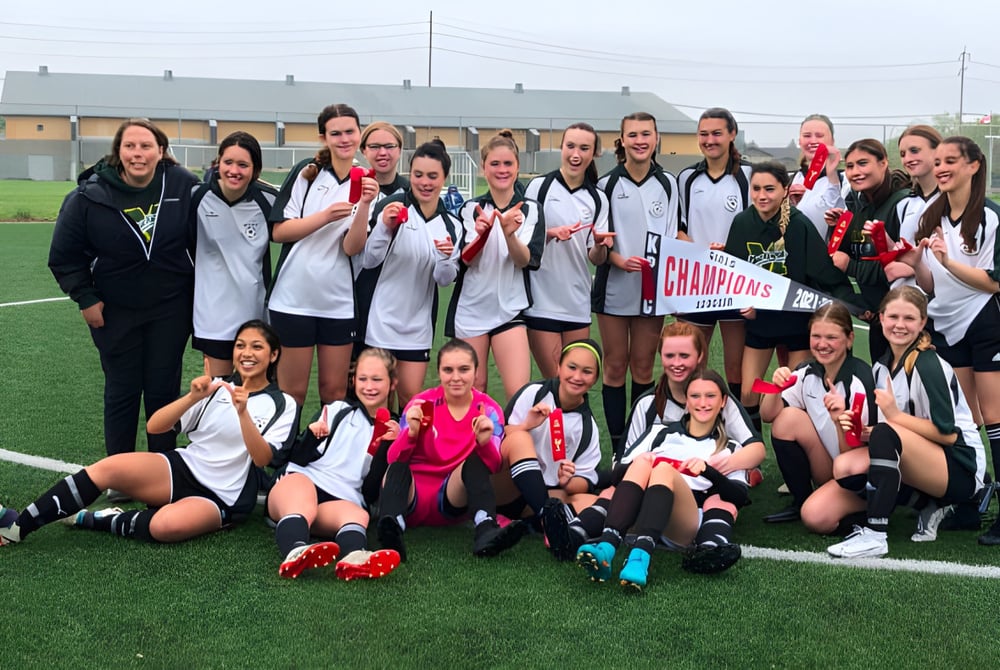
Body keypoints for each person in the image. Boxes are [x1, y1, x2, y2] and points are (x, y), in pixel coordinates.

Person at [1, 320, 297, 547]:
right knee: (108, 468)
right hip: (183, 467)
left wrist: (243, 412)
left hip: (223, 494)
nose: (247, 353)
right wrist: (193, 397)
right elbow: (155, 426)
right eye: (240, 345)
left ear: (273, 355)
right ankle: (18, 527)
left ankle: (97, 519)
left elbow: (261, 459)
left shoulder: (282, 404)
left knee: (165, 527)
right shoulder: (215, 388)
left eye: (257, 347)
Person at [48, 118, 199, 466]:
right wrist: (85, 297)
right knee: (123, 389)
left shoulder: (182, 185)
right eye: (130, 146)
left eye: (146, 146)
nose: (138, 154)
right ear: (118, 151)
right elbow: (64, 256)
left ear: (161, 151)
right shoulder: (90, 195)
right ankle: (120, 470)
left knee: (163, 389)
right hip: (115, 310)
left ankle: (162, 467)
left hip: (170, 309)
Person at [800, 287, 986, 557]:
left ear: (922, 322)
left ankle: (876, 534)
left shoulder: (928, 365)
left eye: (909, 319)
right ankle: (925, 502)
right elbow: (889, 435)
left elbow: (948, 435)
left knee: (885, 433)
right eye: (893, 317)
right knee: (818, 511)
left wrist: (895, 419)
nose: (900, 325)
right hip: (915, 459)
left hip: (959, 467)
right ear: (882, 318)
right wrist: (855, 426)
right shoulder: (882, 366)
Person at [900, 136, 1000, 543]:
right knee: (967, 420)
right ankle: (971, 500)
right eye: (936, 161)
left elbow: (993, 284)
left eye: (950, 161)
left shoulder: (990, 217)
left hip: (984, 322)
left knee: (994, 419)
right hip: (944, 323)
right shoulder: (930, 213)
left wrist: (946, 261)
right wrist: (916, 264)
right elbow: (930, 283)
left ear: (974, 165)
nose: (940, 168)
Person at [576, 370, 756, 590]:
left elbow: (739, 496)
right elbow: (616, 476)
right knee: (641, 463)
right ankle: (606, 548)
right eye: (695, 396)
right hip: (639, 513)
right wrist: (635, 463)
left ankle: (640, 559)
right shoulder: (659, 433)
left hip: (682, 525)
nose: (702, 403)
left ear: (723, 402)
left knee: (662, 469)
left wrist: (708, 472)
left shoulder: (731, 447)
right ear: (686, 402)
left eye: (710, 396)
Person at [725, 161, 858, 429]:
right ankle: (753, 458)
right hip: (760, 322)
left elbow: (821, 270)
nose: (762, 195)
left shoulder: (799, 224)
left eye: (770, 189)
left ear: (785, 190)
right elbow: (733, 272)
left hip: (797, 320)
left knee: (791, 393)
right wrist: (744, 304)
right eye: (756, 189)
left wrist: (854, 303)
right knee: (749, 393)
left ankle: (797, 449)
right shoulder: (741, 222)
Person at [374, 339, 527, 559]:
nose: (456, 377)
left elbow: (492, 466)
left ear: (476, 373)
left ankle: (486, 528)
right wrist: (410, 435)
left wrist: (484, 444)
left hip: (451, 498)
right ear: (439, 372)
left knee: (474, 463)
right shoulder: (421, 403)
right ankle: (391, 529)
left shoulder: (488, 409)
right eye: (448, 370)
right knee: (397, 469)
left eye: (464, 369)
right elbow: (393, 458)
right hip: (410, 496)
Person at [268, 103, 373, 407]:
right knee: (292, 394)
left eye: (350, 132)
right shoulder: (308, 173)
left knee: (334, 393)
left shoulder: (367, 181)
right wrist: (324, 216)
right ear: (323, 137)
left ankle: (326, 454)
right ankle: (283, 455)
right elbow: (279, 232)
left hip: (337, 302)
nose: (343, 139)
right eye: (335, 133)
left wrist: (365, 205)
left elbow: (352, 248)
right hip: (293, 298)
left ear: (359, 133)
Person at [267, 348, 402, 579]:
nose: (369, 386)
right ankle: (295, 550)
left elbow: (369, 492)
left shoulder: (396, 429)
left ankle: (355, 559)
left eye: (377, 379)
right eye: (362, 379)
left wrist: (387, 448)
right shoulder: (337, 410)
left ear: (392, 383)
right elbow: (298, 458)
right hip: (299, 484)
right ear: (353, 380)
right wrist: (312, 437)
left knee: (358, 515)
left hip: (340, 498)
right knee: (302, 493)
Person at [594, 112, 681, 448]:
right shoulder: (607, 184)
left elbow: (672, 236)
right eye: (633, 135)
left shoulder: (668, 184)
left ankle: (640, 443)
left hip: (653, 290)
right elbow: (600, 239)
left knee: (644, 367)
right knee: (615, 367)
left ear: (656, 138)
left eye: (646, 134)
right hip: (615, 287)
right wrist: (619, 260)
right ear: (622, 140)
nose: (640, 141)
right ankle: (618, 447)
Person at [359, 140, 461, 407]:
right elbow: (369, 261)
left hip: (417, 327)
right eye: (418, 175)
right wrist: (384, 228)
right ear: (410, 174)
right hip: (380, 324)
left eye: (432, 176)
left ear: (444, 178)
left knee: (409, 402)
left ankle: (405, 451)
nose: (425, 183)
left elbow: (444, 279)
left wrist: (446, 256)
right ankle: (375, 450)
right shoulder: (392, 207)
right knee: (377, 403)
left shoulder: (452, 224)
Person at [447, 130, 544, 400]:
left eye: (508, 164)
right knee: (472, 394)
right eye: (495, 164)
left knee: (519, 395)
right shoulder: (470, 209)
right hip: (471, 311)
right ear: (484, 168)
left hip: (510, 310)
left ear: (517, 167)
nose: (502, 170)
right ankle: (475, 444)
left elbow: (525, 261)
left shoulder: (530, 209)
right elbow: (464, 260)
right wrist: (481, 235)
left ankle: (510, 443)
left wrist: (508, 232)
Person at [759, 303, 876, 523]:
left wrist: (840, 420)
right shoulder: (807, 371)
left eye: (831, 337)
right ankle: (801, 499)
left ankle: (867, 511)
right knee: (786, 419)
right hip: (830, 463)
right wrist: (776, 388)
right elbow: (768, 416)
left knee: (816, 519)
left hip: (856, 472)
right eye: (816, 336)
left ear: (850, 339)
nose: (822, 344)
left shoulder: (860, 380)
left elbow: (854, 455)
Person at [494, 339, 603, 557]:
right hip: (507, 487)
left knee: (598, 502)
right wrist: (526, 425)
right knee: (520, 439)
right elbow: (498, 439)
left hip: (545, 495)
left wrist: (568, 480)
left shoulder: (588, 426)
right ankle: (547, 520)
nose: (577, 376)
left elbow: (585, 479)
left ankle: (534, 524)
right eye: (571, 367)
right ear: (558, 367)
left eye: (587, 371)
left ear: (595, 379)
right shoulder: (534, 393)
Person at [523, 122, 613, 377]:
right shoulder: (538, 187)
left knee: (576, 383)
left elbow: (595, 258)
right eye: (570, 146)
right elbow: (524, 241)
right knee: (555, 381)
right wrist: (550, 234)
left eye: (584, 148)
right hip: (541, 302)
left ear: (594, 153)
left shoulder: (598, 198)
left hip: (577, 303)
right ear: (561, 147)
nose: (576, 154)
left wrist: (599, 245)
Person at [676, 108, 752, 401]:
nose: (710, 140)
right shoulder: (686, 178)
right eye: (704, 134)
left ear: (732, 134)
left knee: (736, 368)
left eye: (717, 133)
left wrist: (731, 253)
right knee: (691, 362)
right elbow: (678, 229)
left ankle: (738, 426)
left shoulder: (748, 175)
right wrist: (699, 253)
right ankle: (688, 423)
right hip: (697, 282)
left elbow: (760, 226)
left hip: (737, 283)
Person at [193, 131, 278, 377]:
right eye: (228, 162)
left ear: (255, 169)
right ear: (218, 162)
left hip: (255, 314)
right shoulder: (197, 198)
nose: (234, 171)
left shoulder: (268, 200)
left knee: (253, 392)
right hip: (212, 316)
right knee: (217, 392)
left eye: (243, 165)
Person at [825, 139, 911, 362]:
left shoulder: (902, 204)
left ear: (883, 163)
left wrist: (850, 266)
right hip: (877, 316)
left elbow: (902, 268)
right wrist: (836, 230)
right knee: (882, 383)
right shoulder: (860, 205)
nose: (855, 172)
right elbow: (844, 254)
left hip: (904, 319)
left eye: (863, 163)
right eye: (851, 166)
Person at [890, 125, 942, 290]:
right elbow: (904, 252)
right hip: (904, 301)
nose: (907, 159)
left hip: (939, 305)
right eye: (903, 154)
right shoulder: (904, 204)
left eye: (914, 150)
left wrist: (911, 268)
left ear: (937, 151)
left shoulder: (952, 203)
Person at [786, 114, 846, 238]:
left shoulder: (845, 180)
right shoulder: (790, 180)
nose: (813, 141)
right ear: (800, 141)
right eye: (807, 136)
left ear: (832, 141)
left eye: (819, 136)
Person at [360, 121, 409, 197]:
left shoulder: (412, 192)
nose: (382, 153)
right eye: (374, 146)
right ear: (364, 151)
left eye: (389, 146)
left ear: (399, 150)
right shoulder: (353, 191)